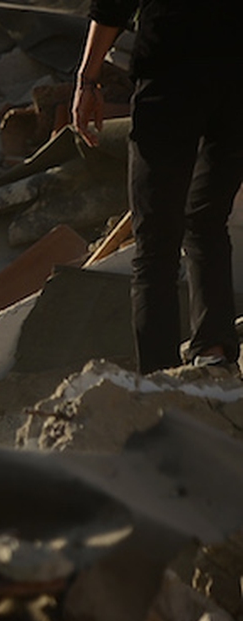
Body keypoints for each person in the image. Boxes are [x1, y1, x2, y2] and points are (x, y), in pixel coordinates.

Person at [73, 1, 243, 373]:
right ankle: (213, 353)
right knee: (207, 220)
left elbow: (113, 4)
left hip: (171, 74)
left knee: (155, 242)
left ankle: (160, 377)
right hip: (236, 81)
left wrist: (88, 78)